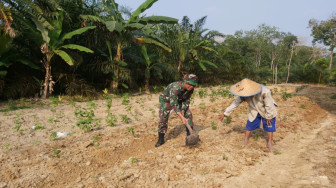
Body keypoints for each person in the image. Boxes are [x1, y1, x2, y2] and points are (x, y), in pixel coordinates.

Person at [219, 78, 277, 151]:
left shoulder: (265, 91)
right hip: (254, 109)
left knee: (269, 125)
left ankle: (269, 143)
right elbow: (235, 103)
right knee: (249, 124)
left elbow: (269, 105)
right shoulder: (243, 94)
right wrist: (225, 113)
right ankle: (246, 140)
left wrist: (269, 116)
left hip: (266, 109)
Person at [155, 74, 198, 147]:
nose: (191, 87)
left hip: (179, 100)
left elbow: (186, 99)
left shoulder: (191, 89)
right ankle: (161, 138)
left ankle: (190, 135)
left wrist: (184, 109)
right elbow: (174, 104)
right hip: (167, 100)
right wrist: (181, 116)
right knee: (164, 117)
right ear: (185, 82)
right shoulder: (175, 87)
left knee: (188, 114)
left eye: (193, 86)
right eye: (189, 85)